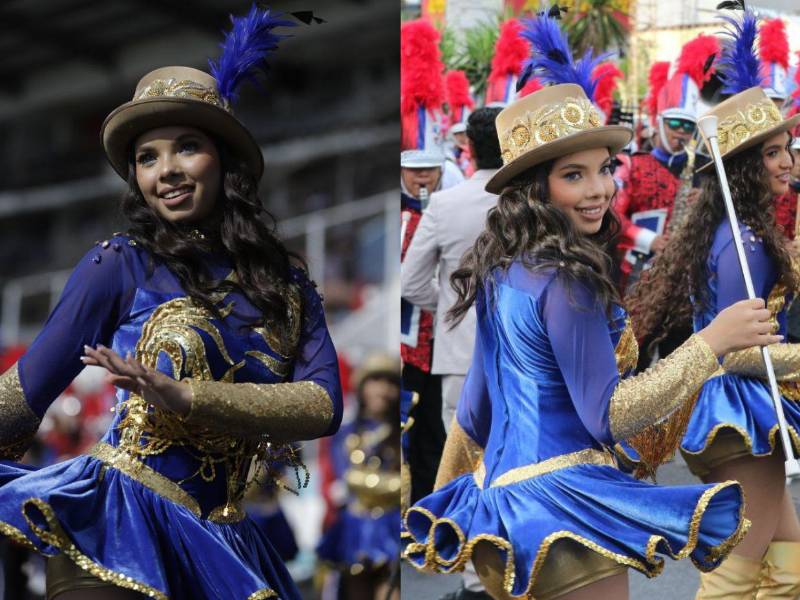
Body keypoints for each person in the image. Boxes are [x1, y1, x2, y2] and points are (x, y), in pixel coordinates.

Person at [403, 12, 776, 600]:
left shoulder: (503, 268)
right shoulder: (568, 279)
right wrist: (713, 342)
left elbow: (475, 410)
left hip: (501, 514)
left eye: (603, 169)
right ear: (536, 189)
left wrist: (453, 506)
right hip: (562, 515)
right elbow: (608, 415)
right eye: (573, 175)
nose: (599, 189)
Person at [0, 7, 342, 599]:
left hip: (228, 545)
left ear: (225, 162)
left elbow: (322, 403)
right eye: (147, 157)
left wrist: (185, 395)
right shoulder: (118, 263)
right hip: (116, 523)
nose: (167, 171)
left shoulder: (286, 285)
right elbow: (23, 395)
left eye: (186, 147)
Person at [628, 7, 800, 597]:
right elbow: (734, 351)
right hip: (739, 415)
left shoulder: (739, 228)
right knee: (732, 582)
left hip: (738, 411)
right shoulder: (742, 240)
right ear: (745, 165)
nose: (787, 162)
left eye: (788, 148)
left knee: (786, 570)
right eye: (773, 152)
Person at [402, 106, 502, 436]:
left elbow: (412, 282)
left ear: (469, 147)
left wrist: (450, 303)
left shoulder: (443, 206)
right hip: (527, 351)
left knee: (463, 460)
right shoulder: (537, 201)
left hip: (460, 350)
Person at [614, 34, 719, 295]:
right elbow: (611, 216)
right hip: (636, 272)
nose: (681, 132)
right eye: (674, 124)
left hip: (687, 275)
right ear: (660, 123)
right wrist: (650, 240)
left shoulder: (704, 169)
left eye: (688, 126)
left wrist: (705, 203)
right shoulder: (631, 165)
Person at [316, 353, 401, 600]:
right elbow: (346, 478)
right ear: (363, 385)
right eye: (376, 380)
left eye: (390, 382)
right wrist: (393, 485)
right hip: (355, 527)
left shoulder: (401, 431)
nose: (383, 390)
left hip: (392, 527)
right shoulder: (345, 432)